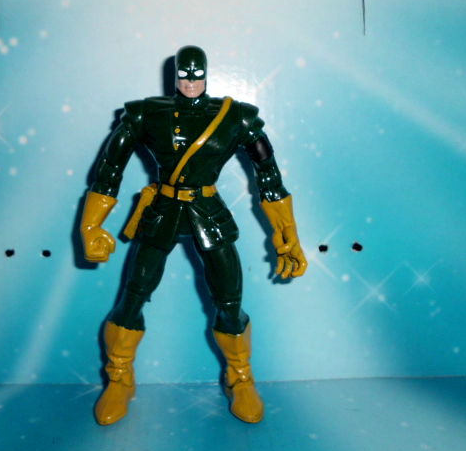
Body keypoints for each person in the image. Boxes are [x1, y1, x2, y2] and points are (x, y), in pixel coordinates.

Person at [80, 46, 307, 425]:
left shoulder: (234, 117)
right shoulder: (147, 114)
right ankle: (119, 377)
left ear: (206, 75)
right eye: (184, 76)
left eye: (196, 76)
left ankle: (240, 377)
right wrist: (91, 225)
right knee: (132, 298)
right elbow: (109, 169)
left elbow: (268, 175)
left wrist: (287, 234)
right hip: (163, 211)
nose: (190, 83)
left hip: (208, 211)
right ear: (175, 77)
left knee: (230, 300)